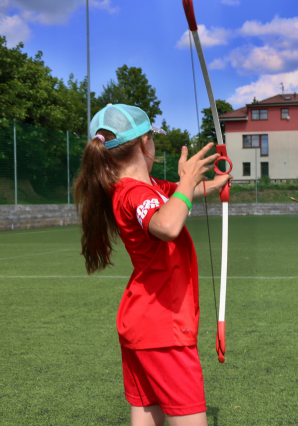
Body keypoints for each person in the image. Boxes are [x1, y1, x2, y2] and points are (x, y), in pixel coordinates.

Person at [74, 104, 231, 426]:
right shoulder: (134, 194)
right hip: (163, 331)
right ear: (145, 143)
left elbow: (183, 195)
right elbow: (167, 225)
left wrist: (217, 182)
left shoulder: (145, 188)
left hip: (142, 324)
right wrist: (186, 181)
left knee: (147, 417)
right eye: (153, 138)